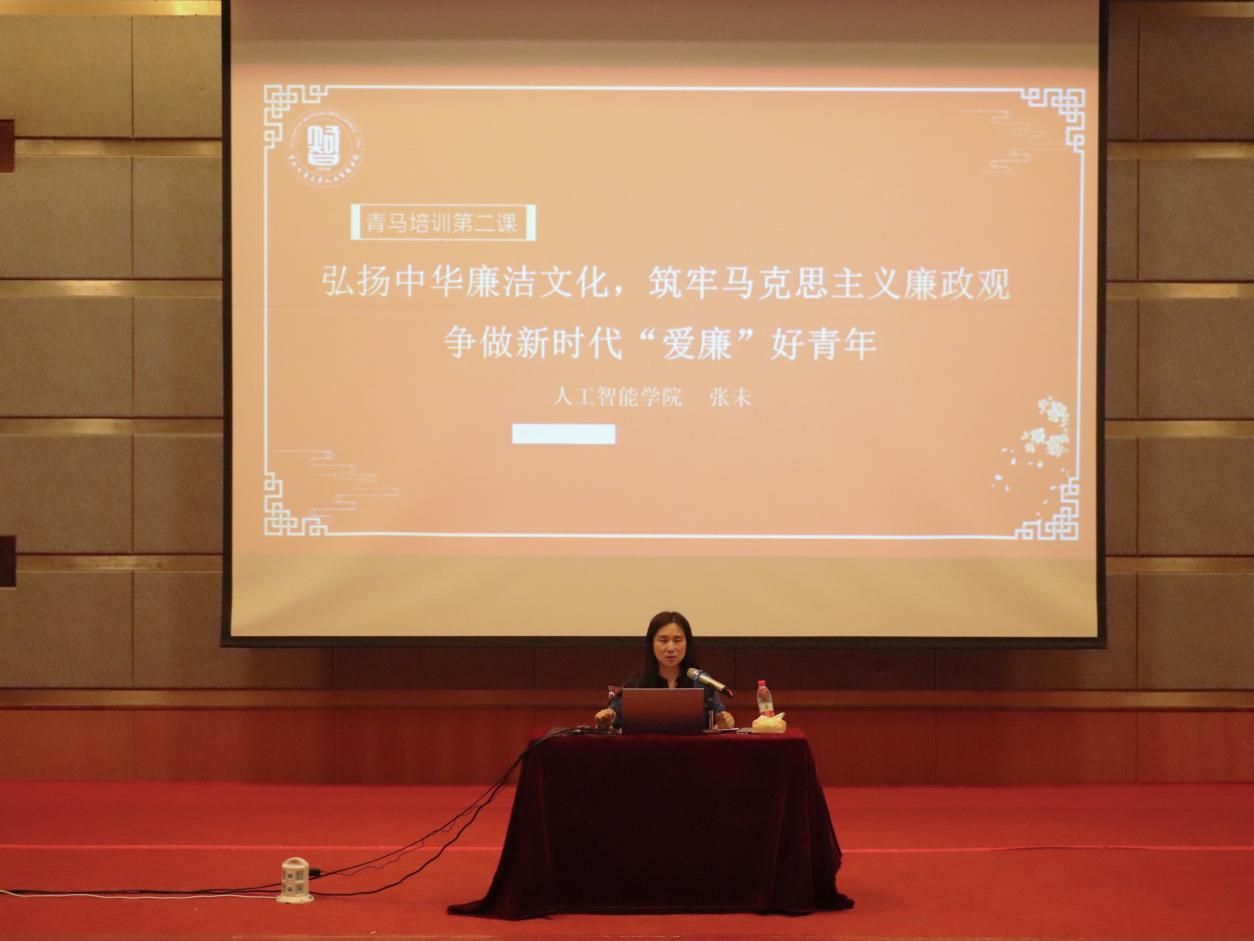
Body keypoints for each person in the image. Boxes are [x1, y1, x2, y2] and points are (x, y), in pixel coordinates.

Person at [594, 611, 736, 730]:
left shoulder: (701, 681)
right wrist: (606, 718)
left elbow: (721, 718)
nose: (671, 648)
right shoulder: (637, 682)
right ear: (651, 644)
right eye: (663, 640)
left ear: (687, 643)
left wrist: (725, 722)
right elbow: (613, 716)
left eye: (678, 640)